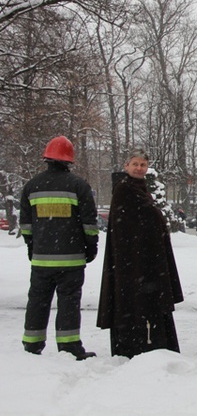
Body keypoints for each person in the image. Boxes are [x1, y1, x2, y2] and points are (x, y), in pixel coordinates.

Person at [96, 148, 183, 358]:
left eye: (143, 165)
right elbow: (144, 221)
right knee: (137, 304)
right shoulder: (126, 189)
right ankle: (139, 345)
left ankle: (146, 343)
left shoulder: (137, 187)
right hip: (134, 262)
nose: (139, 168)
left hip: (140, 260)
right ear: (126, 166)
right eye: (135, 164)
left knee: (142, 303)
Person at [20, 136, 98, 360]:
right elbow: (89, 224)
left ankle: (32, 344)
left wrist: (32, 246)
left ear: (47, 158)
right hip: (71, 260)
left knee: (37, 300)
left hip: (42, 259)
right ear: (68, 160)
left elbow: (25, 224)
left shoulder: (32, 186)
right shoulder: (78, 186)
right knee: (69, 302)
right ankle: (69, 345)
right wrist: (91, 247)